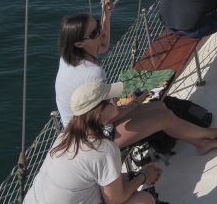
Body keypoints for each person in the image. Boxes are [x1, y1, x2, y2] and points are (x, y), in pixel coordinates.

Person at [55, 8, 217, 152]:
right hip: (92, 140)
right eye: (94, 33)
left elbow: (103, 44)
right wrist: (136, 103)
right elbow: (108, 118)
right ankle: (210, 135)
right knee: (163, 118)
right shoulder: (92, 74)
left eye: (98, 25)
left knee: (161, 106)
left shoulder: (70, 57)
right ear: (79, 43)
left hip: (87, 126)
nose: (100, 32)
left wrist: (106, 17)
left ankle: (202, 142)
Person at [26, 80, 162, 204]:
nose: (115, 100)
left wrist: (135, 176)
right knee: (145, 200)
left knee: (123, 181)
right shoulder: (103, 149)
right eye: (111, 100)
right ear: (99, 113)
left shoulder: (64, 136)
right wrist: (144, 176)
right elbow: (115, 200)